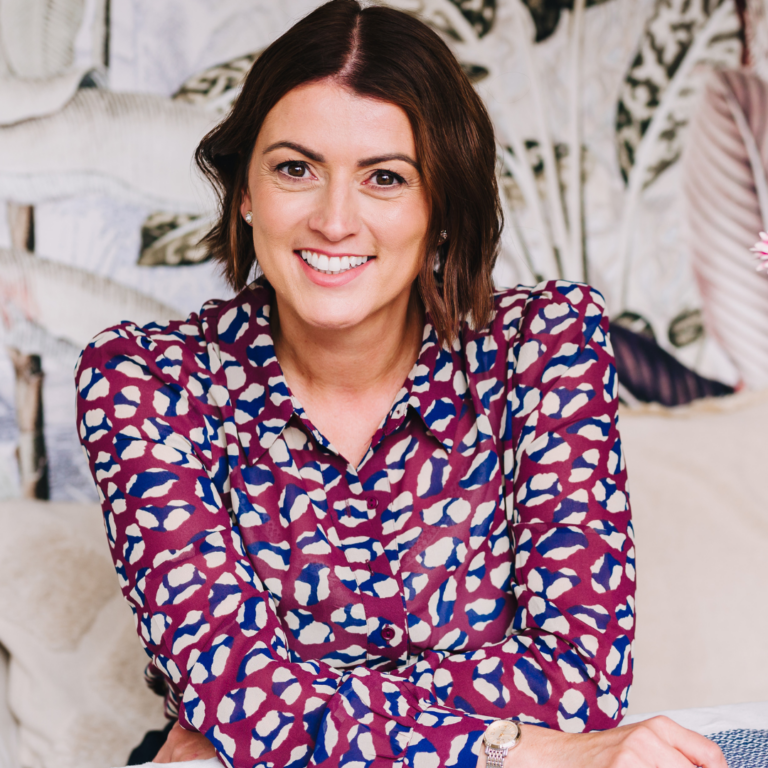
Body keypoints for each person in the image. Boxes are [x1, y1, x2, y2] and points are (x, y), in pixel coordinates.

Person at [74, 1, 725, 766]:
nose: (335, 220)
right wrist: (526, 747)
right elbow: (243, 693)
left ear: (439, 205)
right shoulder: (147, 380)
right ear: (245, 190)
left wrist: (266, 725)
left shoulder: (545, 347)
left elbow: (579, 686)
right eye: (295, 169)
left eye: (385, 178)